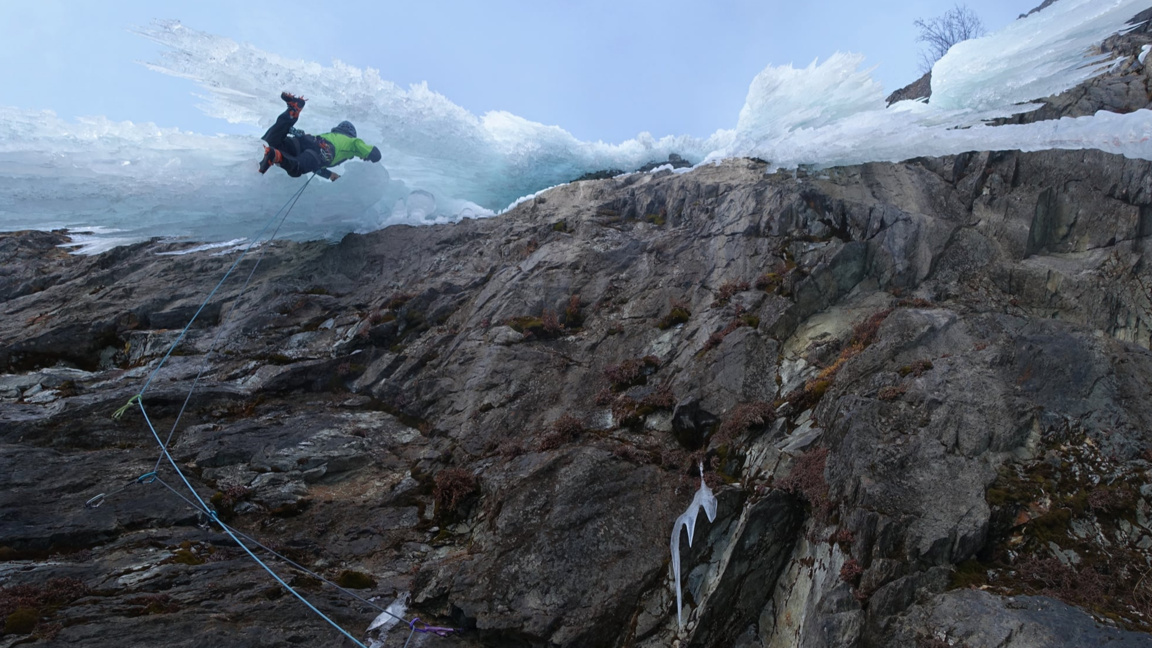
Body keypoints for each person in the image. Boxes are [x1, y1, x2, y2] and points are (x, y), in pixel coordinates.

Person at [259, 92, 383, 180]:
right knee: (297, 168)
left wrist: (329, 175)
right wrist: (368, 156)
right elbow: (374, 153)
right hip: (322, 151)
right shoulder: (353, 141)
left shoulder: (331, 135)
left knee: (272, 142)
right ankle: (275, 156)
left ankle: (292, 111)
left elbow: (314, 164)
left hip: (305, 142)